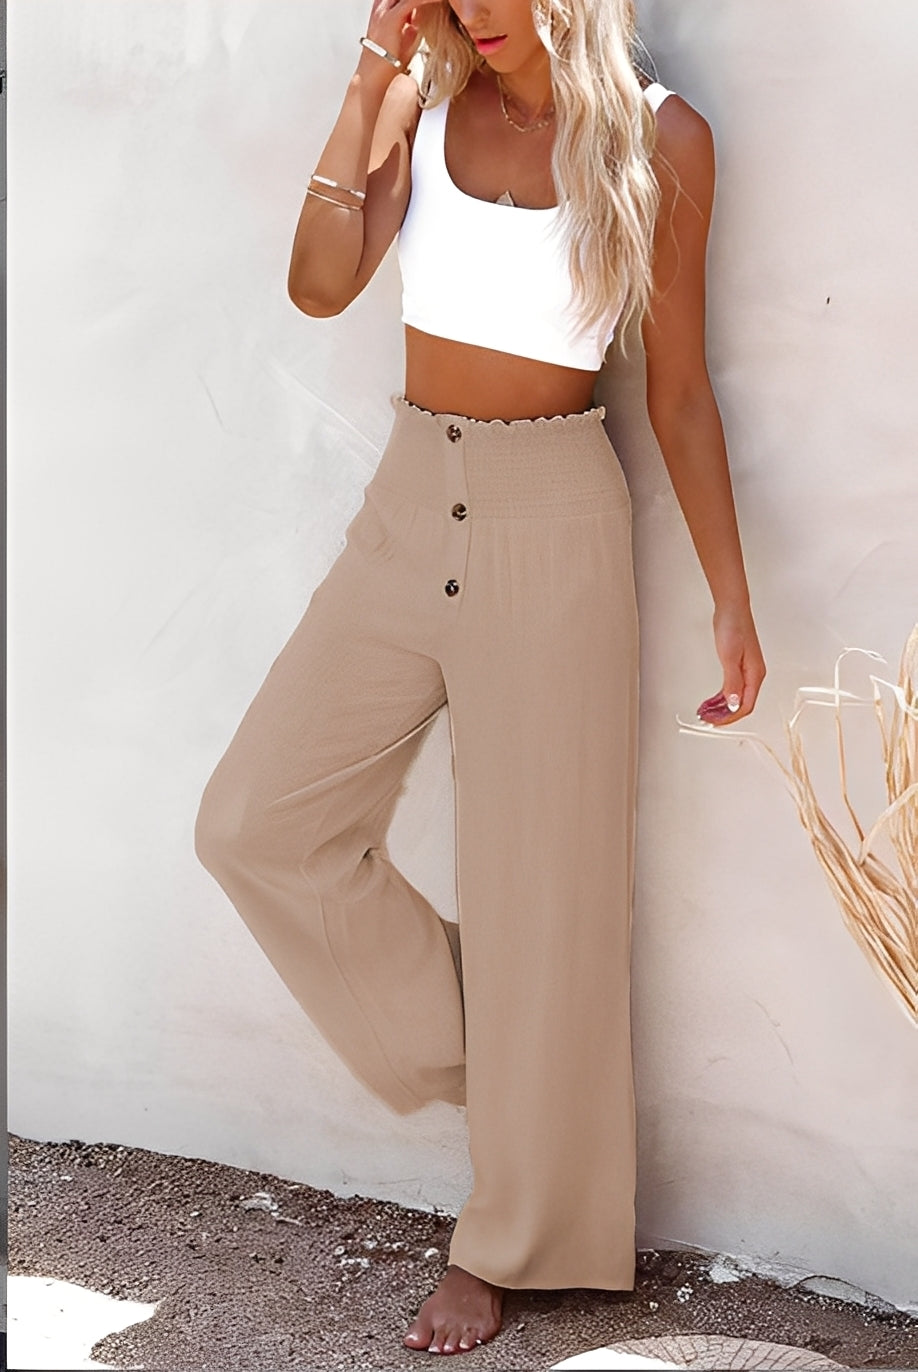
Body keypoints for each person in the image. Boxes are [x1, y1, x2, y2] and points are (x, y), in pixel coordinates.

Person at [195, 0, 766, 1356]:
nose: (474, 11)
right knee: (256, 822)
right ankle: (520, 1059)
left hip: (553, 522)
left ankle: (507, 1242)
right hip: (408, 505)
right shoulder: (424, 100)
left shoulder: (665, 142)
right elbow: (318, 285)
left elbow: (678, 392)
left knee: (545, 898)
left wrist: (732, 599)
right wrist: (366, 85)